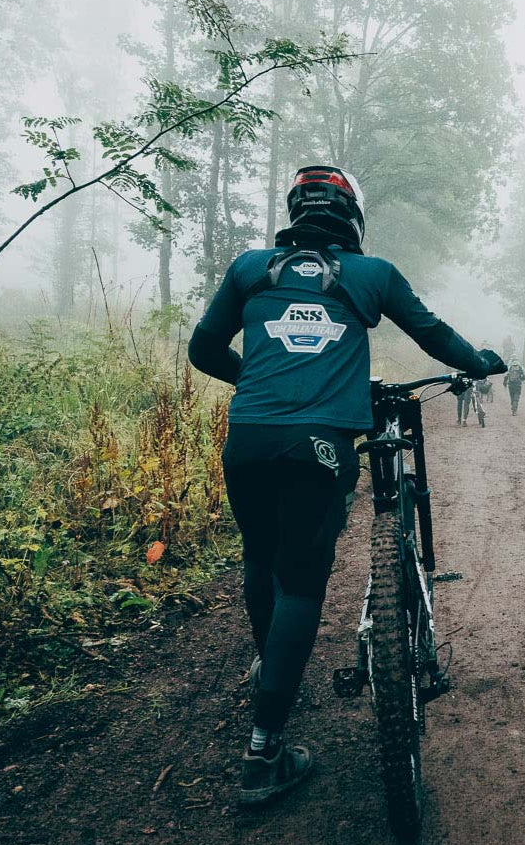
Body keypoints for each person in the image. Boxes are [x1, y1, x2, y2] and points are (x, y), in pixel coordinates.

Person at [188, 164, 504, 807]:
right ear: (353, 216)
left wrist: (259, 379)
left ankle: (272, 669)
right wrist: (480, 362)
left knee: (260, 559)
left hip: (248, 441)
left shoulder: (250, 267)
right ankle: (264, 750)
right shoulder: (370, 274)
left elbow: (203, 349)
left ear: (294, 210)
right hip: (320, 446)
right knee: (303, 582)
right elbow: (432, 333)